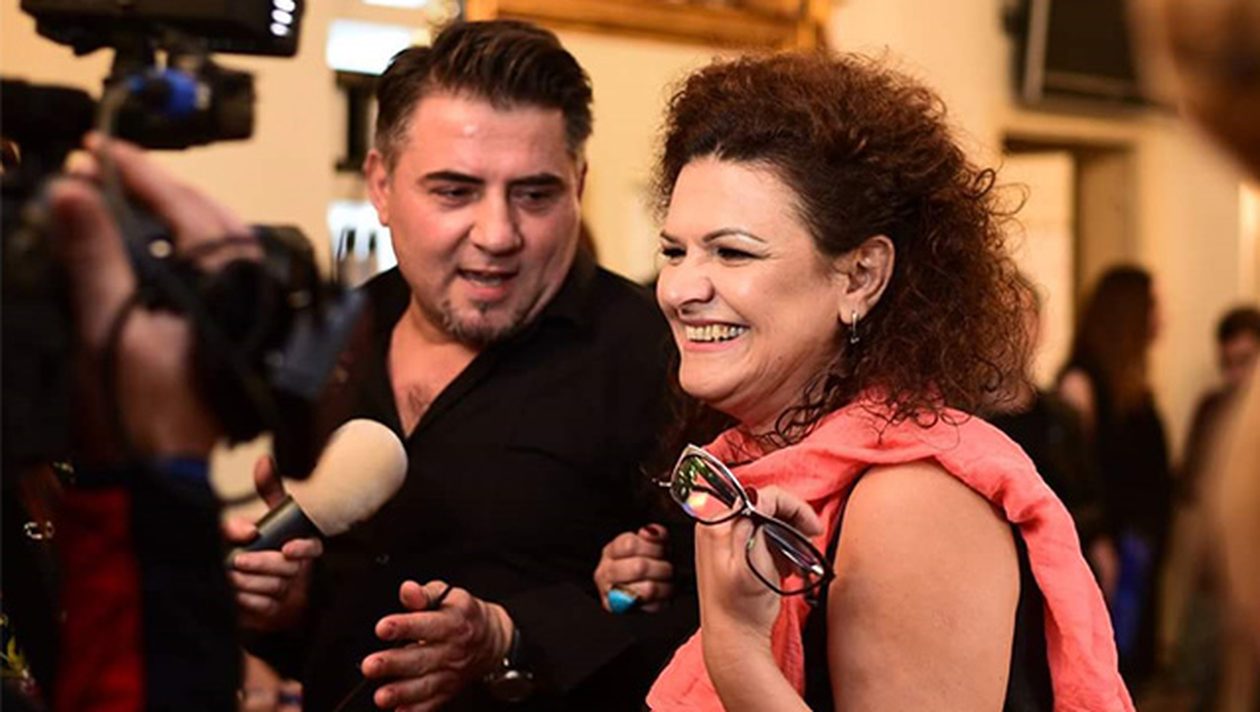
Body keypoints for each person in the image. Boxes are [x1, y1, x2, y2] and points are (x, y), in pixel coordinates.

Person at [603, 52, 1131, 710]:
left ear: (860, 278)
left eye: (732, 252)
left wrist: (737, 651)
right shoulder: (760, 463)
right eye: (674, 252)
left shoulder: (911, 501)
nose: (680, 289)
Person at [227, 20, 698, 711]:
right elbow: (319, 636)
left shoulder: (664, 360)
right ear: (380, 184)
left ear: (578, 185)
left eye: (535, 195)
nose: (497, 234)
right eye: (454, 191)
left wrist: (515, 641)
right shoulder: (324, 338)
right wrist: (281, 609)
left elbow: (713, 632)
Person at [1058, 266, 1173, 687]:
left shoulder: (1131, 384)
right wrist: (1100, 539)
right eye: (1153, 305)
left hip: (1139, 542)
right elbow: (1076, 476)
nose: (1162, 317)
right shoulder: (1082, 382)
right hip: (1112, 548)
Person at [986, 274, 1119, 598]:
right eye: (1002, 316)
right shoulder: (965, 423)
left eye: (1023, 316)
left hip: (1058, 574)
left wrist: (1100, 547)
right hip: (996, 572)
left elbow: (1087, 494)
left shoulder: (1061, 416)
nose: (1013, 330)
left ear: (1039, 326)